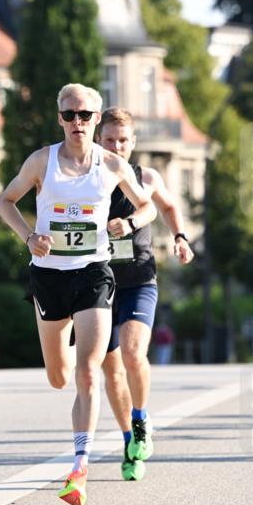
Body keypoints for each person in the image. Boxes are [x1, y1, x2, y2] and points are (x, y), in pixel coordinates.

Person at [0, 84, 156, 505]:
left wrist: (131, 223)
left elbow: (149, 207)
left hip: (93, 274)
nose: (77, 123)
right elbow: (5, 201)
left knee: (89, 372)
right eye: (69, 115)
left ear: (97, 117)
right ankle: (62, 340)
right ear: (60, 118)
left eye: (85, 116)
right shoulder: (41, 162)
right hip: (49, 277)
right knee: (58, 377)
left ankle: (79, 468)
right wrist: (29, 236)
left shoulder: (111, 164)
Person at [98, 107, 194, 481]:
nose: (117, 146)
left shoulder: (146, 177)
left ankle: (140, 418)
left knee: (134, 351)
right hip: (98, 283)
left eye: (123, 140)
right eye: (110, 140)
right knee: (111, 370)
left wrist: (181, 238)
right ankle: (128, 441)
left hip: (139, 279)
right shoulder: (86, 179)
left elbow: (168, 207)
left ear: (133, 143)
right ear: (98, 141)